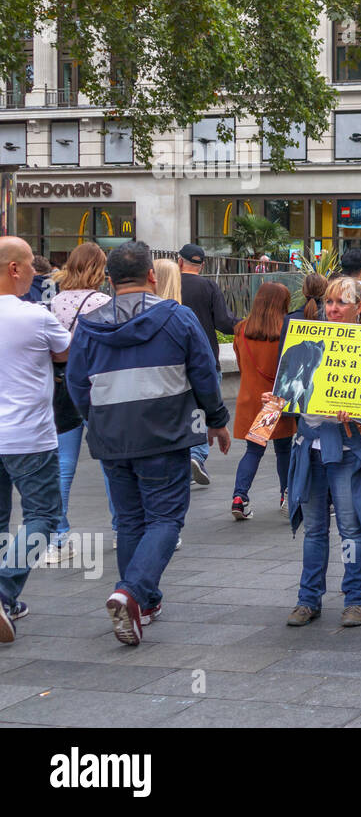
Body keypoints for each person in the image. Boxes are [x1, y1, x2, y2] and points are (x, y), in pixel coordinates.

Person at [66, 241, 231, 645]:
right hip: (165, 434)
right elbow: (205, 373)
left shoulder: (89, 324)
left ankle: (146, 601)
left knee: (128, 520)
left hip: (112, 437)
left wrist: (96, 419)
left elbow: (75, 384)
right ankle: (132, 591)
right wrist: (216, 420)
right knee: (165, 518)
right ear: (152, 276)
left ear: (109, 279)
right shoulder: (177, 317)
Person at [284, 277, 361, 628]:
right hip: (309, 446)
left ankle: (356, 598)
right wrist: (278, 400)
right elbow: (291, 389)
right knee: (313, 530)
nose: (332, 309)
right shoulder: (307, 340)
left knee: (351, 528)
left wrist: (357, 411)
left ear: (360, 307)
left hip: (345, 447)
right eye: (329, 302)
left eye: (341, 302)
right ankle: (307, 599)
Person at [0, 237, 72, 641]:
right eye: (30, 265)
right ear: (14, 269)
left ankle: (7, 603)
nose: (35, 273)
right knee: (42, 516)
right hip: (29, 434)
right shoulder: (35, 316)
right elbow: (67, 354)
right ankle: (4, 588)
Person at [45, 243, 113, 562]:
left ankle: (58, 536)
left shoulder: (54, 301)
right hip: (98, 387)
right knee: (112, 462)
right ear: (99, 269)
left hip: (63, 386)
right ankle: (122, 527)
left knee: (63, 464)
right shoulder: (104, 303)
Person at [229, 282, 295, 521]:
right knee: (284, 449)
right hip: (275, 402)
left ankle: (239, 496)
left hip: (249, 398)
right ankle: (286, 495)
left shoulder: (241, 329)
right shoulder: (285, 332)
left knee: (253, 450)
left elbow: (240, 364)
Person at [178, 243, 235, 486]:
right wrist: (246, 325)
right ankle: (197, 455)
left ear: (179, 262)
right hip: (206, 358)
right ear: (202, 265)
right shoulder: (208, 286)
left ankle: (181, 458)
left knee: (179, 410)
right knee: (201, 409)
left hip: (173, 359)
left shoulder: (169, 285)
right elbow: (223, 323)